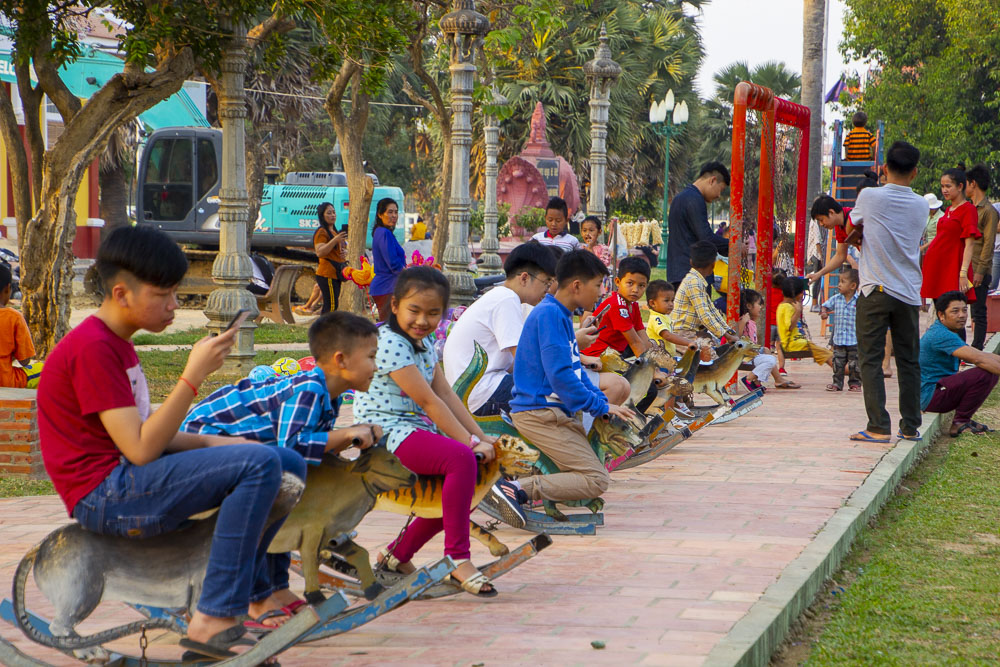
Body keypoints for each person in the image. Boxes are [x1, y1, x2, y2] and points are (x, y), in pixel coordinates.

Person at [36, 226, 306, 659]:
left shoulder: (116, 345)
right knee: (259, 465)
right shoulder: (92, 349)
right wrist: (192, 375)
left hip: (124, 478)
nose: (174, 305)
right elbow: (141, 449)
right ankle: (213, 615)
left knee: (285, 461)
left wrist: (220, 445)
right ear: (122, 293)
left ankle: (258, 592)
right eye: (165, 295)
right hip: (105, 494)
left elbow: (143, 435)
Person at [181, 312, 382, 629]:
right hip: (199, 447)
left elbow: (302, 452)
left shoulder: (329, 396)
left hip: (245, 456)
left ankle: (277, 587)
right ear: (341, 360)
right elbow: (292, 446)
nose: (376, 365)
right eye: (371, 356)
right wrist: (343, 434)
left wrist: (347, 438)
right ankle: (255, 595)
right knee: (265, 503)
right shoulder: (309, 390)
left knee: (289, 497)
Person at [352, 267, 501, 596]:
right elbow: (429, 401)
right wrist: (470, 443)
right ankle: (458, 559)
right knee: (463, 461)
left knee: (464, 487)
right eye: (414, 311)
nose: (422, 320)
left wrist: (482, 436)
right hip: (385, 434)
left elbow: (446, 393)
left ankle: (397, 555)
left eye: (433, 313)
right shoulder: (390, 343)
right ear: (394, 306)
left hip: (412, 430)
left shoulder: (423, 342)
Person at [503, 250, 634, 513]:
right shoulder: (550, 315)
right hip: (539, 413)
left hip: (552, 412)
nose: (600, 293)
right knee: (596, 479)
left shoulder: (560, 314)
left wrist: (600, 402)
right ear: (577, 286)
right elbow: (560, 377)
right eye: (597, 285)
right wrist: (600, 407)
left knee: (591, 473)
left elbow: (576, 372)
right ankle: (516, 490)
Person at [849, 140, 928, 443]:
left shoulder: (869, 196)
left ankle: (878, 426)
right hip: (908, 291)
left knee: (870, 358)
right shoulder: (922, 205)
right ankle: (910, 426)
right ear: (915, 172)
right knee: (909, 361)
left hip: (875, 288)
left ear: (883, 169)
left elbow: (853, 225)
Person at [442, 242, 558, 417]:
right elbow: (525, 359)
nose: (547, 291)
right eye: (546, 283)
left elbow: (515, 363)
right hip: (482, 394)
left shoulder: (502, 297)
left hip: (478, 390)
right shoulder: (506, 299)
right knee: (562, 397)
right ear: (525, 278)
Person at [920, 291, 1000, 436]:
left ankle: (964, 420)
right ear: (941, 315)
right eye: (955, 311)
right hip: (929, 396)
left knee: (990, 370)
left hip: (938, 390)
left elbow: (981, 355)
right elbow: (977, 359)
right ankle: (960, 422)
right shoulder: (941, 334)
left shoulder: (948, 331)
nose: (962, 315)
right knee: (985, 372)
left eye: (964, 310)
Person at [921, 168, 979, 309]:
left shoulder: (968, 209)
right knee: (941, 313)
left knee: (953, 313)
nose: (944, 190)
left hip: (952, 269)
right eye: (942, 186)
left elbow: (969, 244)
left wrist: (963, 273)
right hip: (938, 268)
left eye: (948, 186)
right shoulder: (948, 210)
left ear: (960, 186)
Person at [666, 162, 731, 285]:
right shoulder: (694, 199)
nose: (718, 195)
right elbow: (706, 237)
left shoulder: (682, 197)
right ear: (712, 180)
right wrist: (734, 246)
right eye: (721, 189)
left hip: (678, 272)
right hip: (693, 274)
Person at [582, 256, 653, 360]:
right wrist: (651, 369)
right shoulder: (617, 305)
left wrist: (654, 358)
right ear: (618, 282)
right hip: (595, 356)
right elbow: (635, 342)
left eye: (641, 285)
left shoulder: (633, 305)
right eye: (630, 283)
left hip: (612, 354)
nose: (635, 290)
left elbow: (642, 335)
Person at [671, 241, 736, 342]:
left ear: (691, 262)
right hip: (683, 333)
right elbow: (705, 316)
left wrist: (729, 331)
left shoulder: (697, 280)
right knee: (712, 353)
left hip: (691, 332)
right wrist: (727, 336)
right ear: (713, 264)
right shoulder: (694, 282)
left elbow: (712, 310)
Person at [965, 165, 999, 350]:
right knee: (964, 310)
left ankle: (977, 348)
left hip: (979, 268)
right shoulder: (969, 208)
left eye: (967, 183)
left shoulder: (988, 211)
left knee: (978, 312)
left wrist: (980, 271)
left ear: (973, 184)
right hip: (967, 267)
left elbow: (989, 244)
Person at [736, 289, 795, 391]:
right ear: (749, 306)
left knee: (767, 351)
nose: (761, 307)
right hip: (743, 357)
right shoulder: (743, 321)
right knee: (770, 360)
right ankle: (748, 379)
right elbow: (736, 338)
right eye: (759, 304)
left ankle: (757, 381)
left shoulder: (751, 323)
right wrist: (742, 323)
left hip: (750, 354)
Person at [777, 277, 833, 368]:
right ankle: (841, 370)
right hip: (793, 345)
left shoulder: (782, 306)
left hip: (794, 343)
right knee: (827, 355)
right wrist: (798, 311)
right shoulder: (787, 307)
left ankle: (837, 366)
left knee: (824, 352)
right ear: (799, 294)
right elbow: (789, 326)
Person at [820, 268, 861, 392]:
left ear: (853, 286)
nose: (839, 284)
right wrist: (824, 312)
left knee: (854, 364)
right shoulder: (836, 298)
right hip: (839, 339)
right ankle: (837, 383)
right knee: (838, 363)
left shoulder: (859, 300)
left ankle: (855, 383)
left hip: (854, 339)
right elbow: (825, 306)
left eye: (842, 282)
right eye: (839, 281)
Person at [370, 198, 406, 322]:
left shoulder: (381, 232)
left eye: (396, 212)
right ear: (380, 214)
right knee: (391, 328)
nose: (394, 216)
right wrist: (410, 274)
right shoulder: (384, 233)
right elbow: (393, 263)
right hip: (387, 288)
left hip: (386, 287)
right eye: (390, 212)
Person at [0, 263, 35, 388]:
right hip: (5, 381)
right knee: (46, 370)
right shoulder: (13, 317)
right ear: (7, 289)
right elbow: (25, 361)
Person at [805, 195, 854, 285]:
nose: (821, 224)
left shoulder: (852, 219)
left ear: (831, 212)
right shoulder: (839, 226)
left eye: (821, 220)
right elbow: (840, 255)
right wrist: (818, 274)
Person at [313, 202, 348, 314]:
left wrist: (344, 252)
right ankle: (325, 329)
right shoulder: (321, 232)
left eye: (334, 212)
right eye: (329, 213)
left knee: (332, 305)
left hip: (336, 273)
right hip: (327, 273)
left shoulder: (334, 231)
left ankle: (325, 328)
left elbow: (336, 251)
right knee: (331, 306)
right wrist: (335, 240)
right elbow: (319, 252)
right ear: (322, 216)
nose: (333, 215)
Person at [806, 216, 824, 311]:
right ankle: (814, 303)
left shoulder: (814, 221)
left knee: (818, 278)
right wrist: (821, 256)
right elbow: (817, 240)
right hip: (816, 253)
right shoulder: (816, 221)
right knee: (817, 277)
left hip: (814, 253)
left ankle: (816, 303)